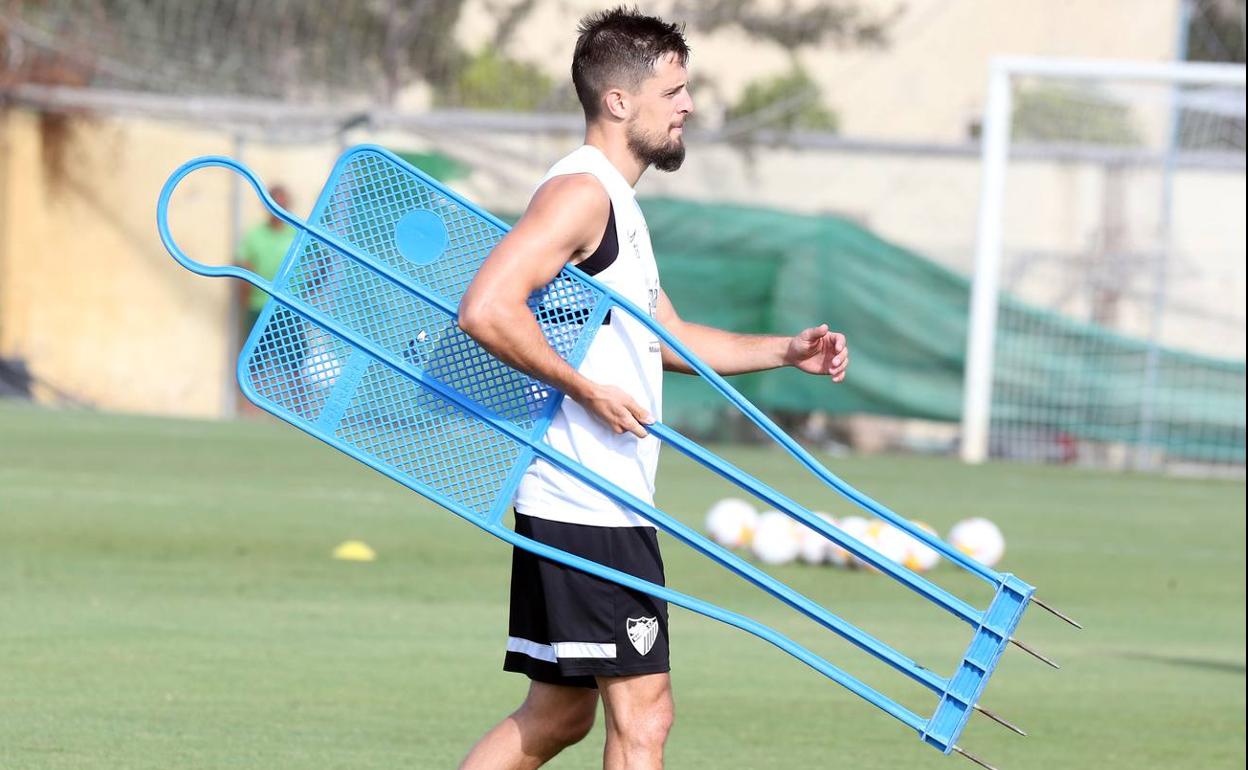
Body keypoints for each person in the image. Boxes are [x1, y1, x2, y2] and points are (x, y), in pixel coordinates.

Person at [456, 8, 849, 769]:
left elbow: (666, 338)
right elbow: (485, 307)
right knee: (645, 719)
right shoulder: (581, 194)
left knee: (560, 715)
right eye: (673, 90)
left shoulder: (617, 204)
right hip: (586, 500)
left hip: (591, 499)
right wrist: (584, 387)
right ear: (618, 102)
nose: (689, 106)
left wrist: (785, 350)